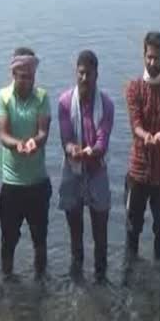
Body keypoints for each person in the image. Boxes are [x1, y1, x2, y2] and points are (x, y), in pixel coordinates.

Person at [0, 47, 52, 278]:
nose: (28, 81)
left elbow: (43, 132)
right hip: (12, 184)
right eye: (23, 76)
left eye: (31, 76)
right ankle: (7, 280)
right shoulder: (3, 97)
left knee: (40, 240)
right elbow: (3, 134)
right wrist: (18, 144)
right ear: (14, 75)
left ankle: (41, 283)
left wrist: (34, 143)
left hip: (37, 183)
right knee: (8, 240)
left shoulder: (42, 97)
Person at [125, 32, 160, 261]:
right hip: (137, 173)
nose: (152, 63)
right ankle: (128, 286)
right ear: (143, 56)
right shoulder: (134, 87)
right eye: (149, 57)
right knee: (132, 229)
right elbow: (135, 123)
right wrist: (146, 135)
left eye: (157, 58)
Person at [58, 50, 115, 281]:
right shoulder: (64, 102)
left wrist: (90, 151)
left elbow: (103, 139)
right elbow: (65, 138)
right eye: (81, 73)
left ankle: (101, 275)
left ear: (96, 75)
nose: (84, 78)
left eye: (88, 74)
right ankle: (77, 273)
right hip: (72, 171)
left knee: (100, 229)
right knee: (75, 231)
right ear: (76, 73)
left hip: (97, 170)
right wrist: (73, 150)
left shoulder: (107, 105)